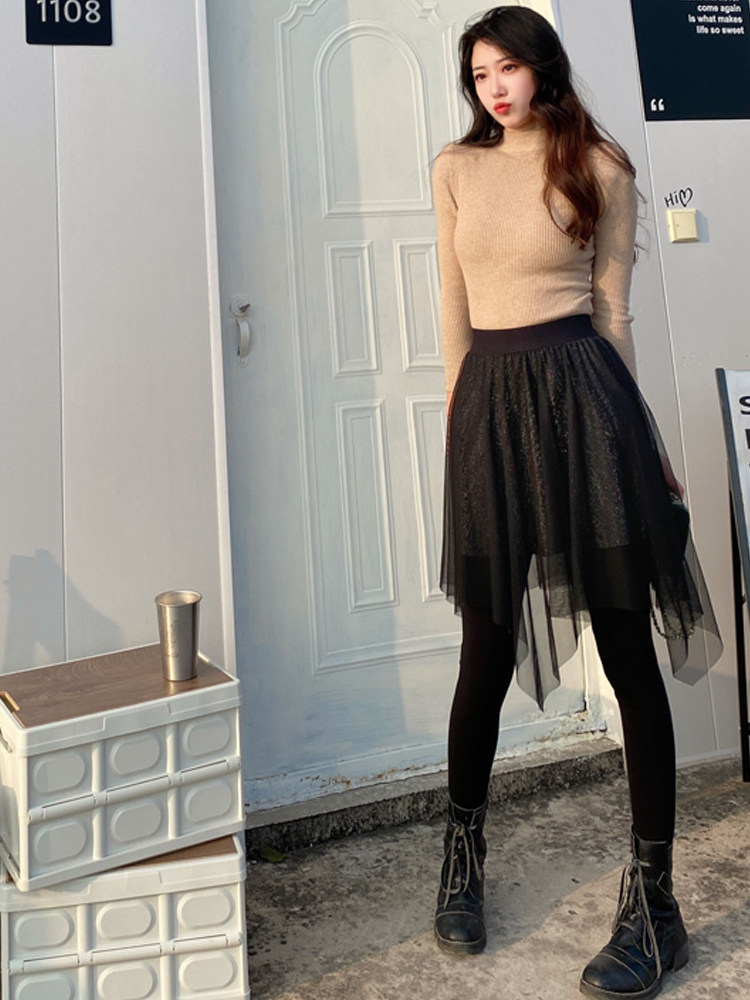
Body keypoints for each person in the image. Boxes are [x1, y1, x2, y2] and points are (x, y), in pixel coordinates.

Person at [432, 7, 722, 997]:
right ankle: (462, 856)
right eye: (480, 75)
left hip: (587, 407)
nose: (494, 87)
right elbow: (454, 311)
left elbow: (613, 313)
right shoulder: (455, 169)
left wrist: (643, 442)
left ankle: (656, 904)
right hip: (489, 414)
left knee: (627, 648)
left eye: (508, 68)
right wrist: (458, 437)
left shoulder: (599, 164)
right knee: (483, 651)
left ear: (543, 68)